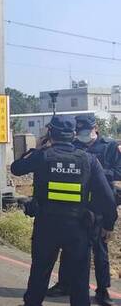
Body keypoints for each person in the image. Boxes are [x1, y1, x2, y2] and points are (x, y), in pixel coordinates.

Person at [12, 116, 117, 306]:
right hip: (78, 228)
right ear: (73, 135)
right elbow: (106, 197)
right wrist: (108, 224)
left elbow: (16, 168)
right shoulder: (89, 160)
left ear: (50, 133)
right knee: (79, 279)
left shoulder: (43, 155)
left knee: (40, 273)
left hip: (47, 226)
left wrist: (38, 148)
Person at [47, 115, 121, 305]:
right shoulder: (75, 146)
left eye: (85, 130)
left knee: (100, 249)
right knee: (68, 247)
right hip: (76, 205)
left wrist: (92, 170)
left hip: (100, 205)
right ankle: (64, 284)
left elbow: (118, 172)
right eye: (78, 131)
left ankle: (103, 290)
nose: (82, 134)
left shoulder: (111, 147)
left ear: (95, 127)